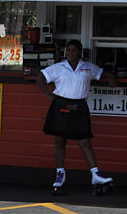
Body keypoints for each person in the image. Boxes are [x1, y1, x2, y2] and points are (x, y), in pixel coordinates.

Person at [38, 39, 114, 192]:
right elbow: (40, 77)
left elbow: (102, 73)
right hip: (61, 105)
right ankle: (60, 174)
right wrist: (48, 95)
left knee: (85, 141)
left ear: (79, 52)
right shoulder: (59, 67)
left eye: (73, 50)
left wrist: (112, 77)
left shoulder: (87, 68)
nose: (70, 53)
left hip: (79, 106)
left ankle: (95, 174)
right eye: (68, 51)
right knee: (60, 140)